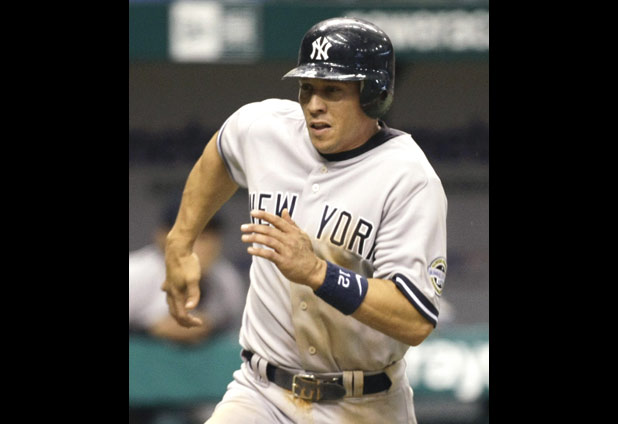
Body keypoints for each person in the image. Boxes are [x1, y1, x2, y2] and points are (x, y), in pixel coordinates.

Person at [162, 17, 447, 424]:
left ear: (373, 96)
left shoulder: (409, 178)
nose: (314, 104)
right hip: (261, 393)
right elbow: (220, 156)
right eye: (307, 89)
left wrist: (317, 272)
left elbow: (414, 319)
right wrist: (180, 242)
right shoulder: (265, 128)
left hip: (365, 404)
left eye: (333, 91)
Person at [129, 197, 247, 344]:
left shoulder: (227, 281)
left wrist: (209, 326)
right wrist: (147, 330)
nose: (206, 245)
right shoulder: (135, 275)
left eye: (210, 235)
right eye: (193, 234)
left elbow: (232, 341)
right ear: (162, 236)